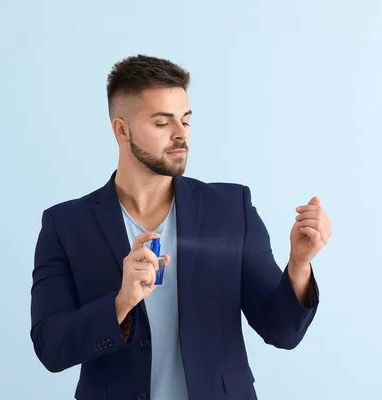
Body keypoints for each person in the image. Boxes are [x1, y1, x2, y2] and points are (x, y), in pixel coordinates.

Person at [30, 54, 331, 400]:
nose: (180, 135)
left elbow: (282, 331)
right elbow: (50, 346)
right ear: (121, 129)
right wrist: (120, 304)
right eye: (162, 123)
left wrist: (299, 266)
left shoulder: (231, 209)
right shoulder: (66, 225)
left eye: (186, 121)